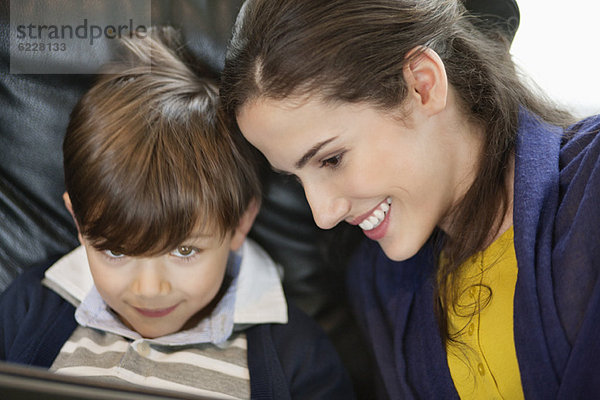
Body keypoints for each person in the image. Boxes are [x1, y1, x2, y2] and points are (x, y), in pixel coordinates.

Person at [220, 0, 600, 398]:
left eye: (332, 159)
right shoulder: (379, 286)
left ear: (423, 84)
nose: (323, 215)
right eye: (296, 180)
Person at [0, 27, 354, 399]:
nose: (149, 290)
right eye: (116, 251)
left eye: (185, 251)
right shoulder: (30, 308)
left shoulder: (297, 354)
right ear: (78, 220)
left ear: (240, 223)